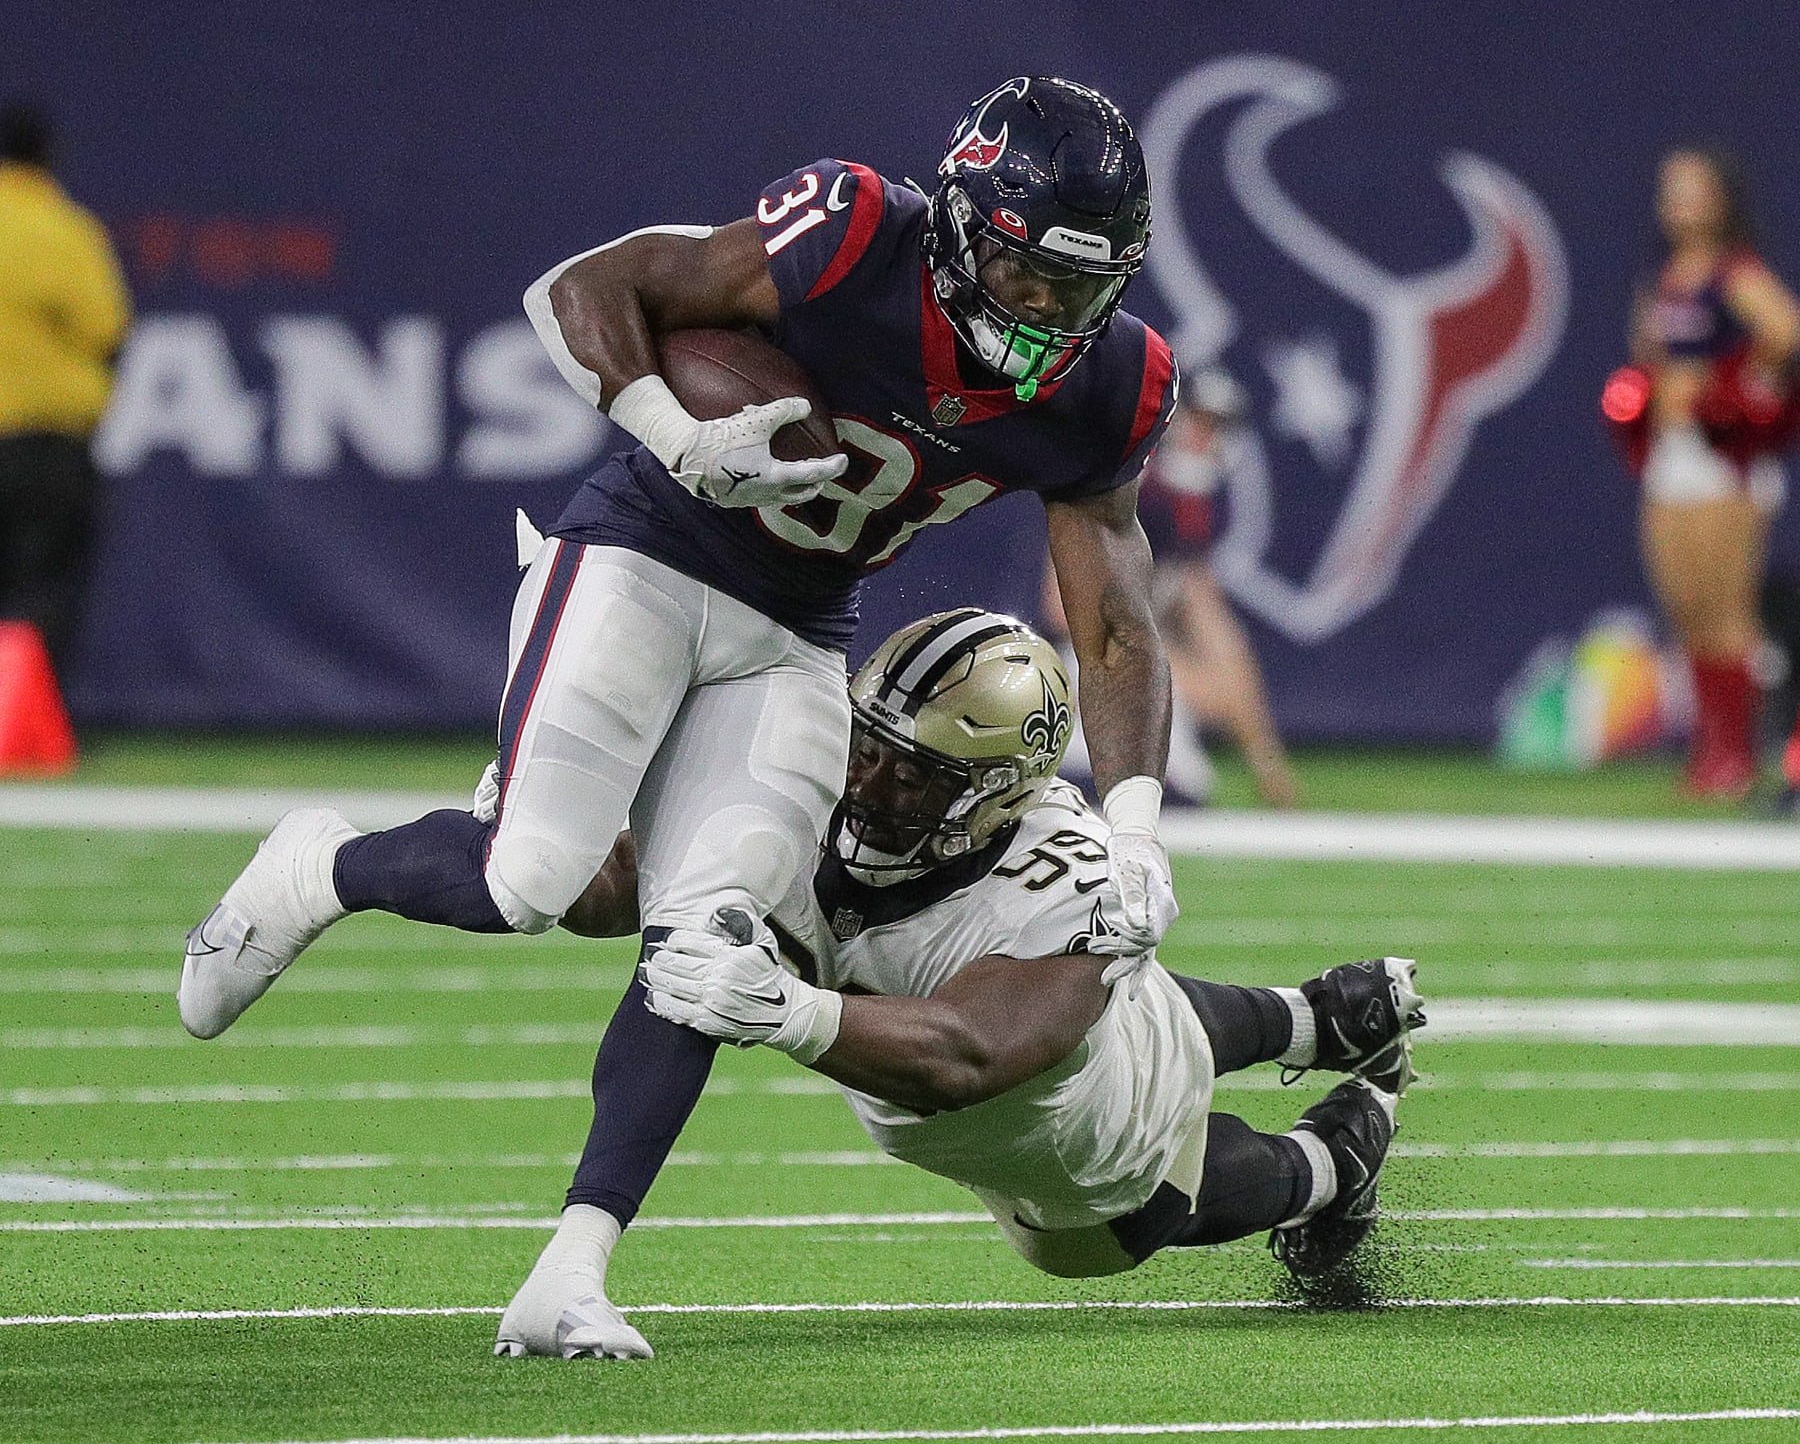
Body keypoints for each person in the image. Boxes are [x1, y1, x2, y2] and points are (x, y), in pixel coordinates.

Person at [179, 81, 1182, 1335]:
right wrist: (669, 427)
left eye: (1076, 292)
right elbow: (580, 290)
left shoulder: (1109, 389)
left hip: (800, 628)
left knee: (709, 947)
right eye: (1023, 273)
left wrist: (1136, 827)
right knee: (529, 882)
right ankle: (319, 867)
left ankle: (569, 1278)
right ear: (965, 222)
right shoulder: (855, 233)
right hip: (646, 553)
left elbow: (1117, 624)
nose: (1041, 313)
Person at [516, 610, 1421, 1359]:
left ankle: (1332, 1162)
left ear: (994, 792)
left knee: (1107, 1216)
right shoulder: (813, 770)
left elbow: (969, 1052)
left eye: (911, 773)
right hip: (1056, 1031)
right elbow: (625, 881)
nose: (865, 781)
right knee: (1146, 1018)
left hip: (1056, 1107)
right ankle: (1319, 1017)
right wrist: (546, 840)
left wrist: (790, 1012)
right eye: (865, 745)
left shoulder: (1064, 877)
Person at [1622, 146, 1800, 798]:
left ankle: (1739, 754)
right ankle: (1709, 750)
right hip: (1674, 454)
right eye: (1670, 190)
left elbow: (1786, 330)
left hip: (1727, 455)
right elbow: (1647, 352)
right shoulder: (1664, 274)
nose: (1677, 203)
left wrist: (1729, 384)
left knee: (1728, 608)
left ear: (1721, 200)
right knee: (1686, 604)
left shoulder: (1736, 272)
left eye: (1692, 190)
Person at [1041, 366, 1299, 808]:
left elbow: (1218, 634)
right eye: (1196, 422)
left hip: (1119, 664)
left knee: (1187, 784)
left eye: (1215, 428)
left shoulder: (1187, 511)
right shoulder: (1125, 485)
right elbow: (1059, 609)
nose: (1202, 438)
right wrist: (1153, 665)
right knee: (1163, 791)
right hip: (1064, 671)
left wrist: (1266, 760)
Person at [0, 103, 131, 678]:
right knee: (43, 585)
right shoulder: (63, 229)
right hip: (43, 443)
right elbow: (105, 328)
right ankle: (21, 730)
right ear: (46, 158)